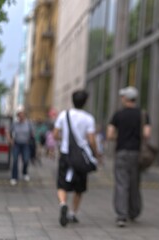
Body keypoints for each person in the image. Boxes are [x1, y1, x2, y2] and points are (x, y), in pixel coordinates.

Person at [53, 90, 100, 227]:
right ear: (85, 102)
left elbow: (55, 135)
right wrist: (96, 153)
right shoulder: (88, 118)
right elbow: (91, 139)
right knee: (79, 187)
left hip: (65, 153)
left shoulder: (63, 115)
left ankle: (62, 204)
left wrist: (64, 140)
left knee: (62, 183)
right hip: (81, 156)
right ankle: (73, 213)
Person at [106, 86, 151, 228]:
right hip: (136, 153)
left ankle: (121, 216)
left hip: (121, 152)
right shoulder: (143, 114)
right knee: (134, 183)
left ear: (125, 98)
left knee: (121, 183)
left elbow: (109, 134)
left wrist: (120, 137)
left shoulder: (118, 115)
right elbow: (146, 134)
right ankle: (134, 212)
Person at [7, 106, 34, 186]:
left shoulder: (29, 123)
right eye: (19, 115)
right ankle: (14, 177)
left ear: (24, 115)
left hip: (26, 144)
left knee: (26, 160)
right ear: (17, 115)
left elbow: (32, 133)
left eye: (22, 114)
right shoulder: (15, 123)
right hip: (16, 144)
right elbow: (8, 131)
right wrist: (10, 140)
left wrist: (33, 139)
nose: (20, 116)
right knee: (15, 160)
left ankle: (24, 172)